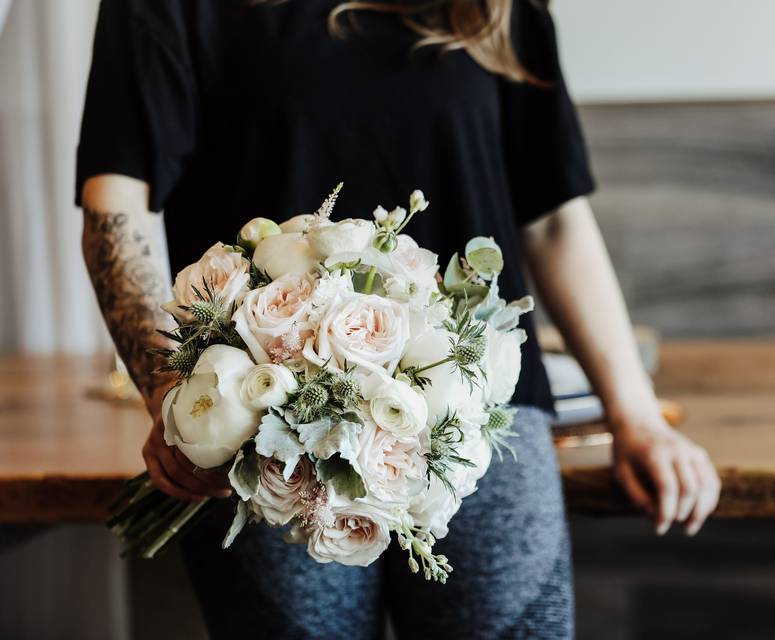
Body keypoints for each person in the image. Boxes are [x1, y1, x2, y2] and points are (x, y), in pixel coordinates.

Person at [77, 1, 720, 638]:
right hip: (264, 424)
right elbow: (115, 210)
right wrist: (174, 397)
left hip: (481, 416)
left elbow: (554, 219)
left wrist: (635, 414)